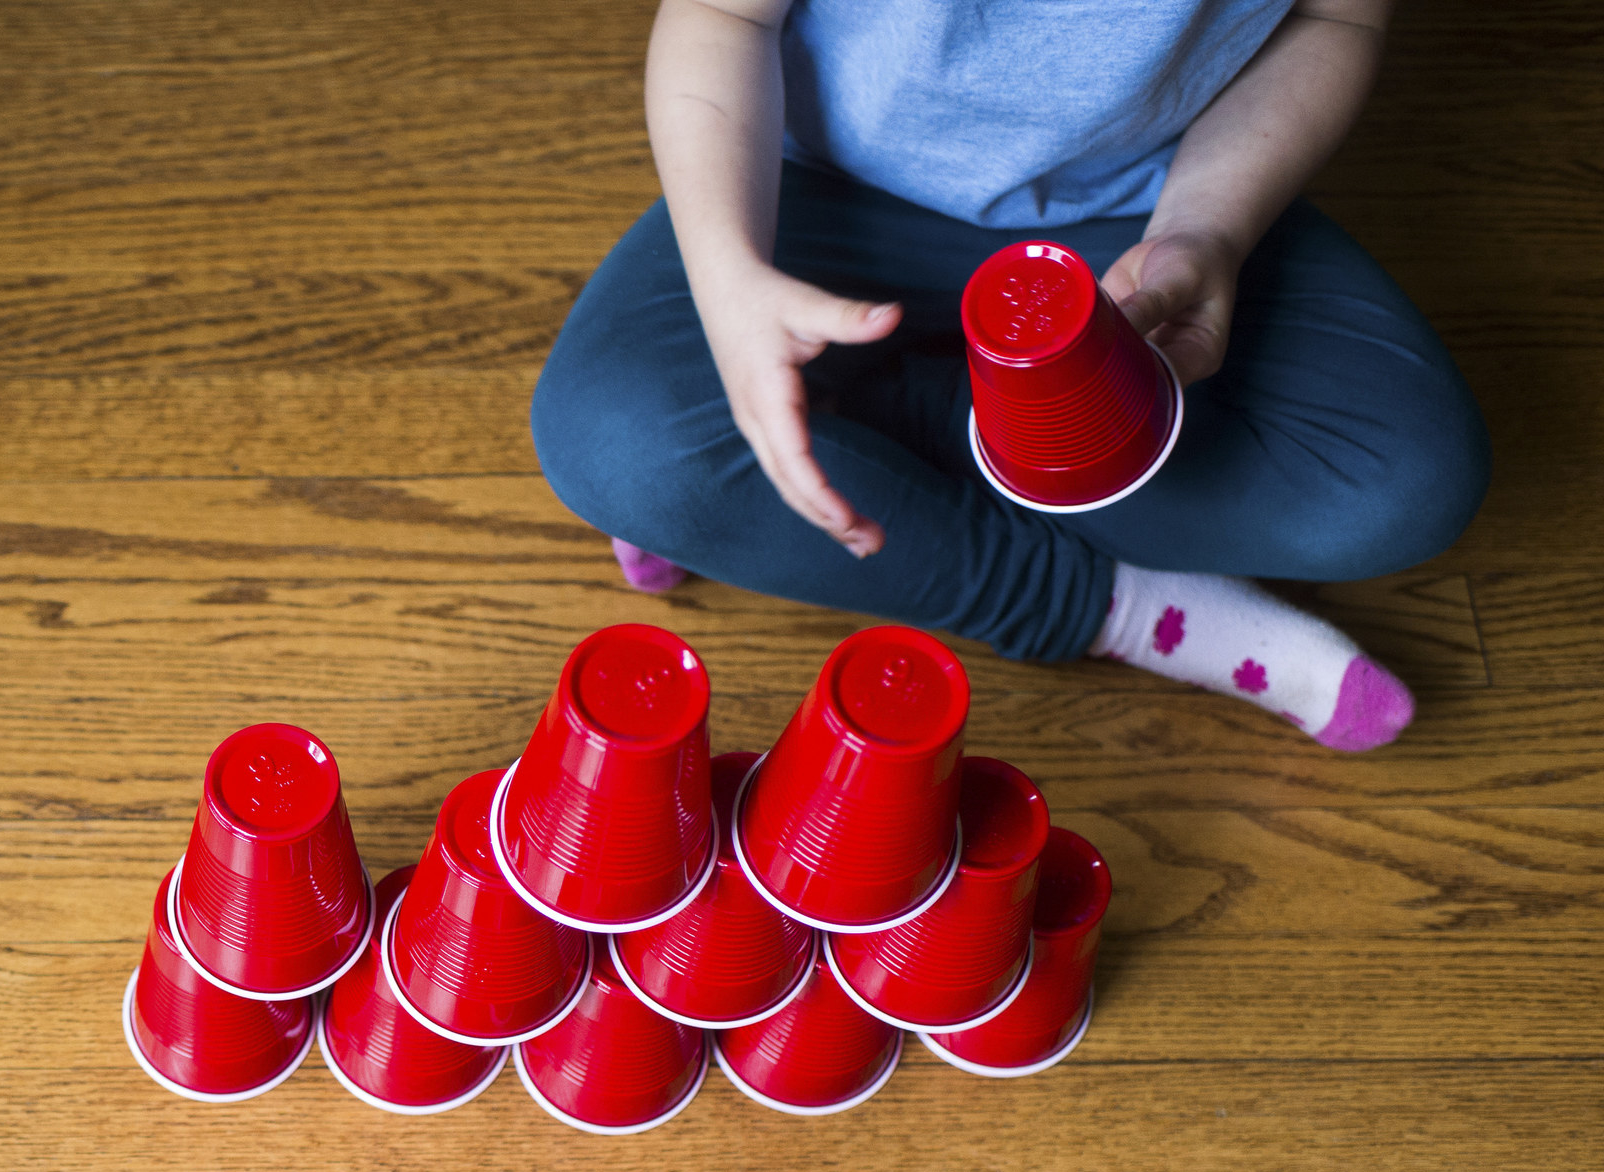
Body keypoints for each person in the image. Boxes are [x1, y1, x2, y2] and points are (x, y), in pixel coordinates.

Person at [532, 0, 1489, 751]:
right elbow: (720, 15)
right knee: (609, 441)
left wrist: (1208, 228)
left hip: (1139, 215)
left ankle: (855, 423)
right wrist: (731, 276)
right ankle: (1121, 610)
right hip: (821, 189)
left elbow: (1334, 20)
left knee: (1404, 485)